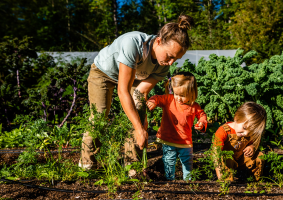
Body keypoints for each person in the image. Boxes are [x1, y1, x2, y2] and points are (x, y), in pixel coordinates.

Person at [79, 15, 195, 170]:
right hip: (103, 73)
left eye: (176, 59)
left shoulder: (163, 66)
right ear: (158, 41)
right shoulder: (133, 44)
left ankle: (132, 165)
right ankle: (87, 163)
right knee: (99, 115)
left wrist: (141, 120)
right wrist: (139, 129)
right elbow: (123, 91)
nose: (171, 63)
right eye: (169, 56)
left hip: (135, 78)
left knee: (138, 113)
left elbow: (139, 92)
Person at [146, 72, 207, 180]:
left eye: (182, 95)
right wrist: (152, 102)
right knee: (169, 160)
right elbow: (157, 98)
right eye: (176, 94)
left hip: (185, 141)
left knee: (187, 161)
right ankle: (170, 180)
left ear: (192, 93)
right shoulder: (169, 100)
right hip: (168, 139)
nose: (178, 98)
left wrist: (201, 123)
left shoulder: (194, 106)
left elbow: (202, 115)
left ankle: (187, 181)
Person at [212, 102, 267, 181]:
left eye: (250, 132)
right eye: (244, 128)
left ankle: (254, 180)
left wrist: (252, 147)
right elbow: (215, 152)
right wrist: (219, 171)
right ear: (236, 117)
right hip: (227, 162)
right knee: (225, 158)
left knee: (259, 156)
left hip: (241, 159)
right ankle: (226, 182)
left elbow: (255, 142)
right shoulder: (223, 131)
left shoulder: (249, 133)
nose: (246, 133)